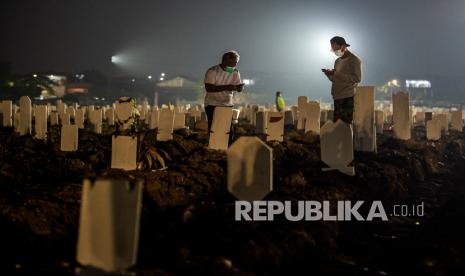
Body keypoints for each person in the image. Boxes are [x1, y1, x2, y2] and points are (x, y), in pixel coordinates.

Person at [322, 36, 362, 124]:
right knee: (337, 125)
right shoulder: (337, 61)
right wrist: (329, 75)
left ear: (343, 46)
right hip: (337, 96)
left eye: (336, 49)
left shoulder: (354, 60)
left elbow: (357, 79)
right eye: (333, 50)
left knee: (345, 125)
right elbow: (336, 80)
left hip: (347, 97)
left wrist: (336, 74)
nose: (335, 52)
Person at [204, 50, 244, 133]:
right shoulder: (212, 71)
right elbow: (209, 88)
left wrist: (239, 88)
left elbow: (237, 86)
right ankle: (214, 146)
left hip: (227, 104)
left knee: (227, 131)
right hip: (212, 104)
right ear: (225, 60)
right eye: (234, 62)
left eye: (236, 62)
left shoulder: (235, 72)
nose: (236, 65)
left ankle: (227, 146)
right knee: (214, 130)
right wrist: (227, 87)